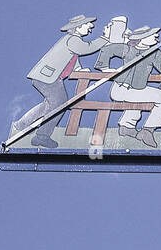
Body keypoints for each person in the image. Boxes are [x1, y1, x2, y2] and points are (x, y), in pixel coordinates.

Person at [12, 15, 106, 150]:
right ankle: (42, 136)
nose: (91, 27)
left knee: (49, 105)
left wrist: (79, 69)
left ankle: (22, 125)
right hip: (48, 78)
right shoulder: (73, 40)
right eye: (87, 25)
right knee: (59, 104)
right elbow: (87, 48)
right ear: (78, 27)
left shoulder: (72, 41)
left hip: (47, 77)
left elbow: (71, 57)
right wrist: (104, 39)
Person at [97, 25, 161, 148]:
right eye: (151, 34)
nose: (156, 35)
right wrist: (105, 68)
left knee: (142, 96)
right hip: (120, 89)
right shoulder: (127, 49)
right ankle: (148, 130)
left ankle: (127, 127)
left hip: (134, 90)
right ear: (141, 38)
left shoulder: (153, 53)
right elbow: (107, 50)